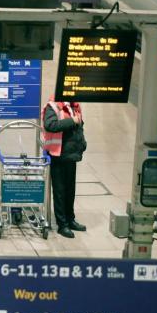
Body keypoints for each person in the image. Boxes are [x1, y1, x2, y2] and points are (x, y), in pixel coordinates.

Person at [42, 97, 87, 238]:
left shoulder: (75, 105)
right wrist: (71, 121)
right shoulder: (53, 106)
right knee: (60, 191)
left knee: (70, 189)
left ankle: (70, 219)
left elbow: (80, 127)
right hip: (58, 154)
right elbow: (51, 125)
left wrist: (82, 144)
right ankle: (62, 225)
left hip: (71, 154)